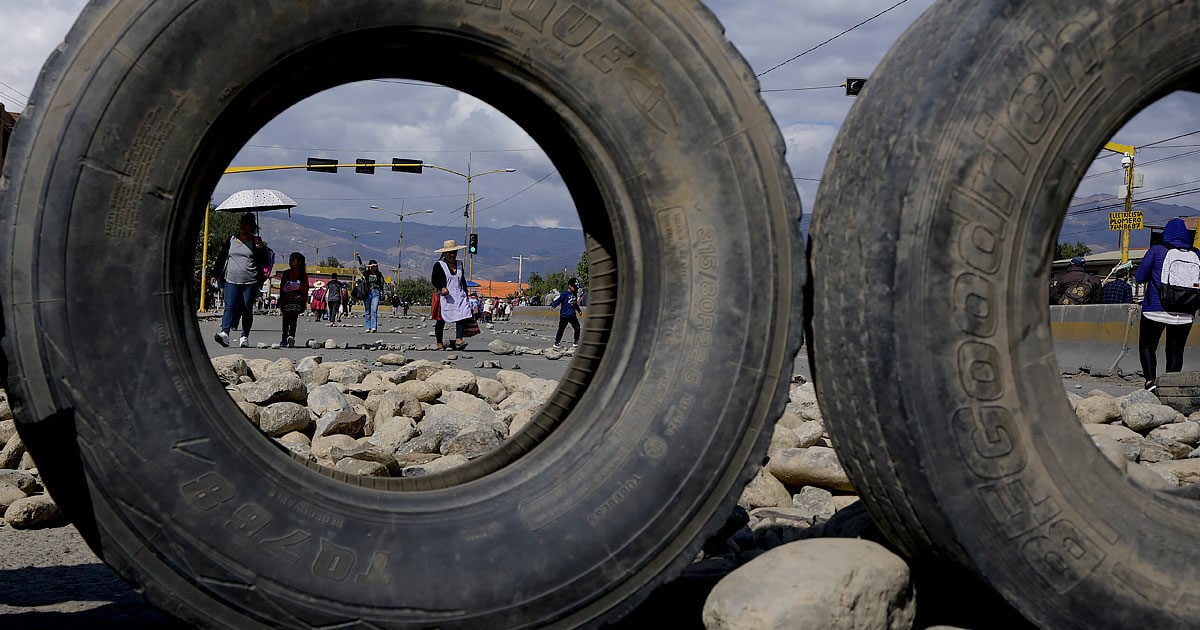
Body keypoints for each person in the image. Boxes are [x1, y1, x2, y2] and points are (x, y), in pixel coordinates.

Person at [1135, 218, 1200, 392]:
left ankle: (1150, 381)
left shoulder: (1157, 250)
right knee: (1176, 350)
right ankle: (1171, 386)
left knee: (1148, 346)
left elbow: (1140, 277)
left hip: (1155, 309)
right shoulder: (1196, 253)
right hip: (1185, 311)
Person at [214, 212, 269, 348]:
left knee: (246, 309)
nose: (244, 228)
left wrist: (261, 250)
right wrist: (214, 274)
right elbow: (222, 257)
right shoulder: (231, 240)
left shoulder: (256, 242)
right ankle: (225, 333)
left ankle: (244, 336)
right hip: (231, 280)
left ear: (252, 227)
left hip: (250, 282)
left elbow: (265, 261)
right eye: (242, 225)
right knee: (230, 306)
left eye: (247, 225)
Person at [430, 239, 473, 351]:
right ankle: (439, 342)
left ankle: (459, 339)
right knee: (441, 319)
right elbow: (434, 280)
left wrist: (465, 293)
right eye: (450, 253)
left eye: (454, 252)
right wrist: (442, 287)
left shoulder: (459, 264)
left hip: (458, 294)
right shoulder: (439, 265)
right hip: (444, 296)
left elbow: (462, 279)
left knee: (462, 316)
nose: (452, 255)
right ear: (445, 253)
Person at [276, 252, 309, 347]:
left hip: (297, 301)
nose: (290, 262)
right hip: (286, 301)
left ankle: (291, 336)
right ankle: (284, 338)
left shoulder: (303, 275)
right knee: (285, 320)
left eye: (292, 260)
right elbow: (282, 287)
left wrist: (298, 288)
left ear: (299, 262)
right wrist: (280, 300)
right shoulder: (286, 273)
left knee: (293, 320)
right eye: (289, 260)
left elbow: (306, 288)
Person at [551, 277, 584, 349]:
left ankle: (576, 342)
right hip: (564, 315)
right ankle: (557, 342)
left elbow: (575, 304)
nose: (576, 289)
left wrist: (579, 310)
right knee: (561, 329)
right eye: (574, 287)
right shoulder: (564, 294)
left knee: (577, 328)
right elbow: (558, 300)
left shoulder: (574, 294)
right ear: (569, 286)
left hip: (572, 315)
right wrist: (553, 306)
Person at [357, 254, 387, 333]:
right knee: (367, 311)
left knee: (374, 310)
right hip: (367, 293)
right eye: (373, 266)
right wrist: (368, 265)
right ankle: (368, 327)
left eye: (375, 266)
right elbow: (360, 268)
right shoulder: (366, 273)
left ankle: (374, 327)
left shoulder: (379, 274)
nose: (374, 268)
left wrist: (386, 293)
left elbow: (384, 283)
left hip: (376, 293)